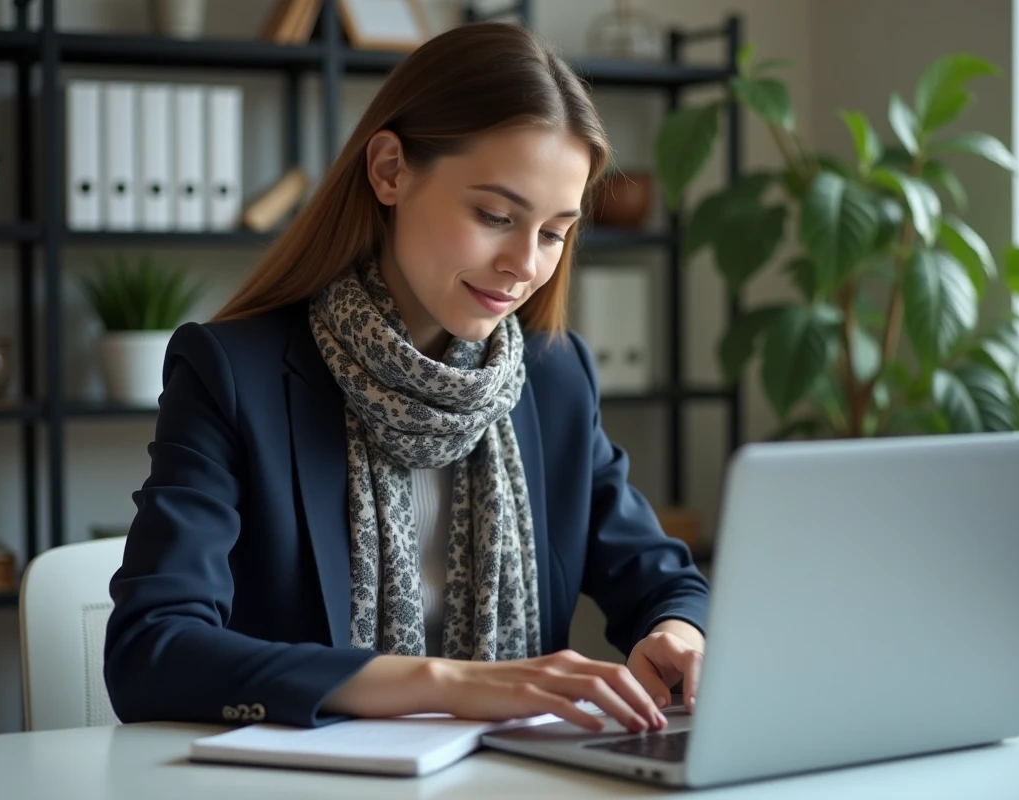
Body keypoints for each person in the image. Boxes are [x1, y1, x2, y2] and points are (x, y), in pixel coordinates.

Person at [103, 20, 709, 736]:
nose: (525, 263)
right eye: (494, 215)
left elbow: (665, 580)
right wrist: (450, 685)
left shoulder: (552, 376)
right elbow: (152, 651)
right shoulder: (234, 375)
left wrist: (678, 634)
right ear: (389, 170)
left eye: (553, 232)